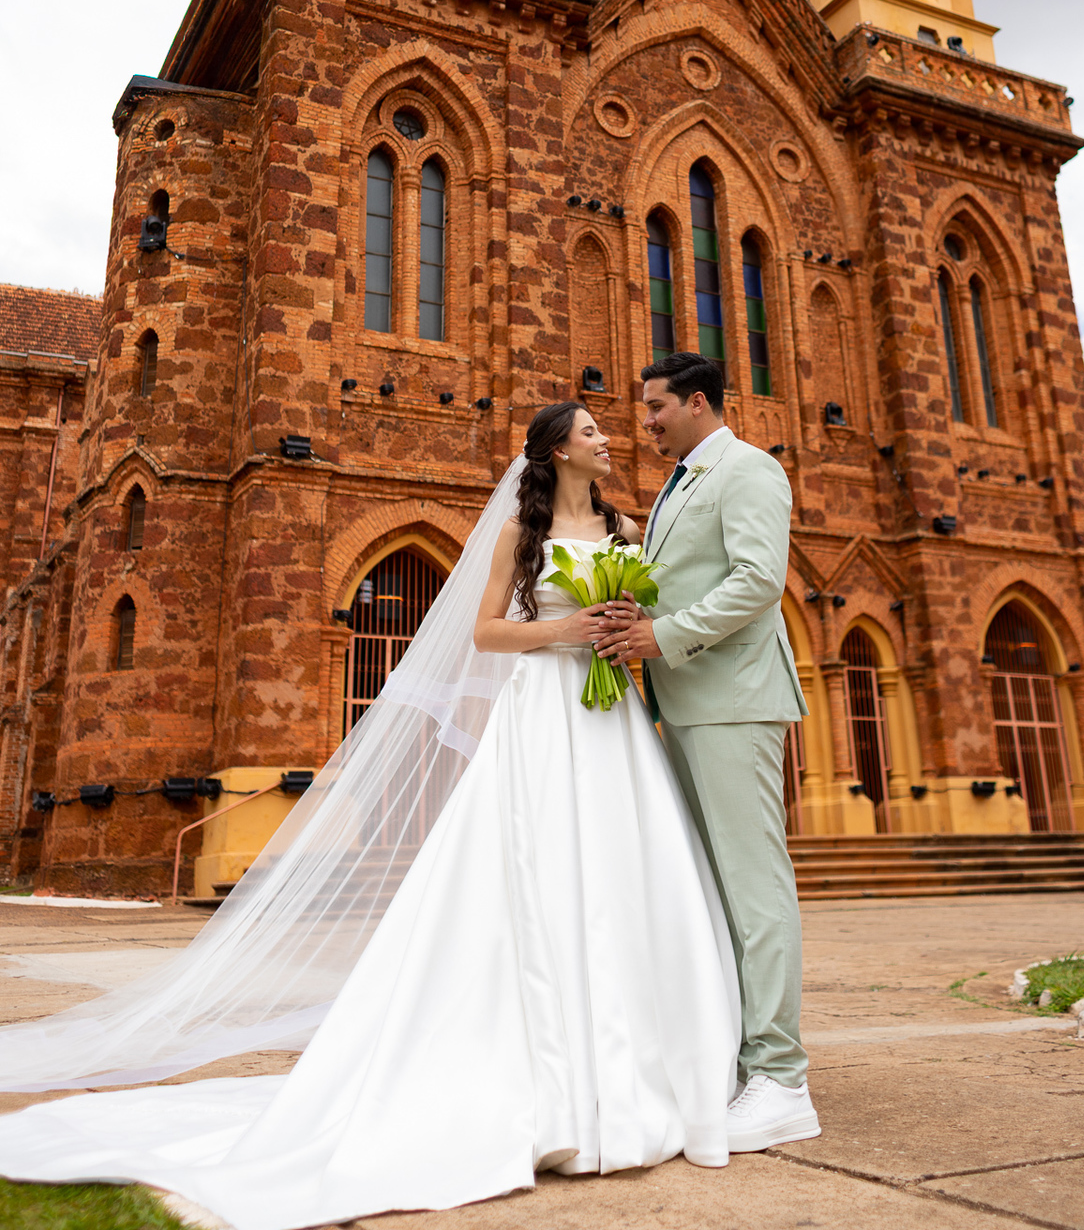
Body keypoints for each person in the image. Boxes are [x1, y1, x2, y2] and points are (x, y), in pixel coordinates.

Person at [0, 401, 742, 1230]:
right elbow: (486, 634)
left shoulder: (625, 526)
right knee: (532, 866)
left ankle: (635, 1063)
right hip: (543, 710)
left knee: (618, 868)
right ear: (559, 448)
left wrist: (624, 625)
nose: (610, 440)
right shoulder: (513, 536)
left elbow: (648, 610)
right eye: (595, 431)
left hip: (607, 720)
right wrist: (566, 628)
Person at [593, 351, 818, 1151]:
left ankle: (781, 1078)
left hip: (732, 703)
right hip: (682, 703)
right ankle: (734, 1051)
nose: (645, 419)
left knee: (754, 891)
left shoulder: (748, 469)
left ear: (696, 402)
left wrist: (662, 636)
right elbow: (683, 576)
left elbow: (759, 580)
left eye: (655, 406)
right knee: (712, 888)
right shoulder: (680, 483)